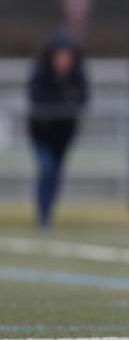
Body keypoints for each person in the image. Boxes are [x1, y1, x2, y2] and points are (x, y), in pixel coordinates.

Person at [27, 32, 89, 229]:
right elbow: (37, 97)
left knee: (56, 174)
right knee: (47, 169)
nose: (64, 59)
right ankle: (43, 216)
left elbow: (82, 99)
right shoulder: (42, 73)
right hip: (42, 134)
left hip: (63, 135)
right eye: (60, 54)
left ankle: (47, 214)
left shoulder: (76, 74)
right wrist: (63, 98)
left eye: (67, 54)